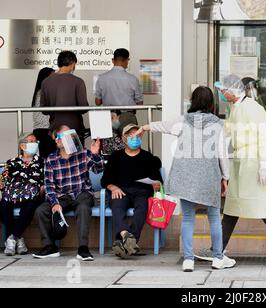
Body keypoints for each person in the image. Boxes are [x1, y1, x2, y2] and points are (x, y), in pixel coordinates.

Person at [137, 86, 236, 272]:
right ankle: (217, 258)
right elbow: (222, 153)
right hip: (208, 176)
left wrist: (144, 127)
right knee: (214, 217)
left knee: (188, 218)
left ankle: (188, 260)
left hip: (185, 176)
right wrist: (226, 177)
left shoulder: (184, 121)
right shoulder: (217, 124)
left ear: (193, 101)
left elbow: (163, 126)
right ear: (211, 103)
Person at [216, 75, 266, 267]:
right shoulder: (235, 108)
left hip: (255, 165)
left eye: (223, 90)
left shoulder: (253, 108)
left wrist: (265, 166)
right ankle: (217, 248)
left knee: (264, 207)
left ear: (233, 91)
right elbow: (227, 133)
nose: (221, 93)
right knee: (232, 208)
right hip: (242, 165)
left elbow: (265, 137)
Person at [33, 125, 103, 260]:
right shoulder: (51, 159)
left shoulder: (82, 153)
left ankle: (83, 248)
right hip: (62, 196)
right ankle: (49, 246)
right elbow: (49, 185)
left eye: (69, 134)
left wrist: (95, 154)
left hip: (82, 194)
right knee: (41, 210)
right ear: (56, 140)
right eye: (62, 135)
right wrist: (54, 203)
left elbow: (98, 169)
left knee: (83, 208)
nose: (66, 138)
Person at [101, 124, 163, 259]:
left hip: (142, 191)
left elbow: (158, 180)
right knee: (117, 204)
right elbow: (105, 180)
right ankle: (127, 237)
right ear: (123, 138)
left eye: (137, 135)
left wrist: (156, 184)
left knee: (142, 207)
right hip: (121, 191)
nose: (134, 138)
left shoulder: (148, 157)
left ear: (141, 137)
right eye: (130, 135)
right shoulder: (115, 157)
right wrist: (113, 187)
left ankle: (123, 241)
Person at [0, 133, 44, 256]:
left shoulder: (41, 162)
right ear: (22, 146)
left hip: (33, 196)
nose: (34, 144)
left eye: (36, 141)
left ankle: (11, 239)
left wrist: (43, 186)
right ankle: (17, 240)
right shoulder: (12, 162)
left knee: (30, 206)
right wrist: (5, 187)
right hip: (13, 195)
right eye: (31, 141)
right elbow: (2, 182)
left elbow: (47, 179)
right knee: (3, 206)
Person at [40, 51, 89, 145]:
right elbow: (84, 108)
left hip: (55, 130)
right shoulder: (78, 81)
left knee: (58, 158)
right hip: (74, 129)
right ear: (73, 63)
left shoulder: (46, 82)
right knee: (76, 159)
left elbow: (44, 110)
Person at [95, 48, 143, 121]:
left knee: (109, 133)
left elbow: (98, 102)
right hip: (127, 117)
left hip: (109, 117)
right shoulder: (133, 79)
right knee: (128, 133)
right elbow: (140, 103)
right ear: (126, 60)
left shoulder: (101, 78)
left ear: (113, 60)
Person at [31, 67, 56, 158]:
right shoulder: (44, 92)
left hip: (40, 130)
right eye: (53, 77)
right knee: (49, 160)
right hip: (45, 130)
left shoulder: (39, 91)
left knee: (45, 159)